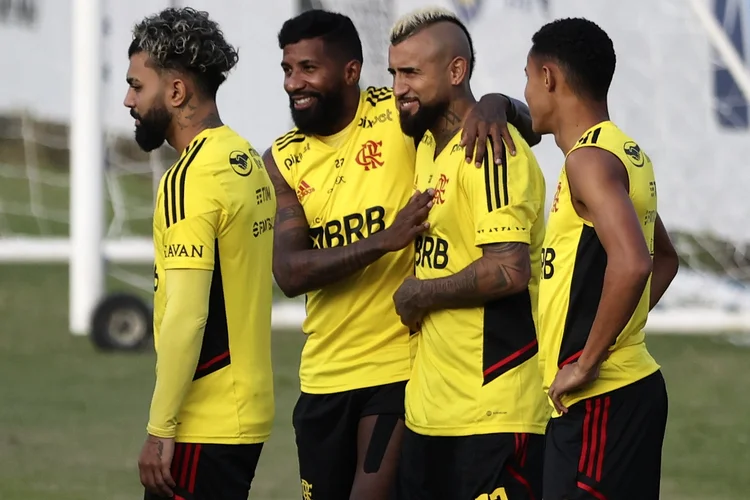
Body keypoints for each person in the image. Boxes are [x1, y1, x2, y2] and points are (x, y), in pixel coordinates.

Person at [263, 9, 542, 500]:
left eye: (308, 68)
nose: (294, 83)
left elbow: (514, 121)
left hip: (400, 374)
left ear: (350, 72)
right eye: (287, 70)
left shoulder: (401, 120)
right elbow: (287, 273)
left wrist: (496, 103)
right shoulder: (283, 158)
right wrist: (383, 241)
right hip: (325, 375)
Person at [388, 8, 549, 500]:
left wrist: (420, 294)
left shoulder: (492, 148)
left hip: (494, 412)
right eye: (393, 73)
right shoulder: (425, 146)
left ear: (455, 72)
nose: (398, 87)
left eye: (411, 73)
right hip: (430, 414)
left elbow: (508, 269)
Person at [523, 17, 679, 500]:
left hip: (599, 401)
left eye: (527, 79)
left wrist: (589, 360)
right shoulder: (625, 152)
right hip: (623, 392)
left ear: (549, 78)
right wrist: (619, 332)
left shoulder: (586, 161)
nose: (526, 94)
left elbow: (635, 263)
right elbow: (666, 259)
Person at [124, 8, 276, 499]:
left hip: (201, 422)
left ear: (175, 93)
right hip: (246, 413)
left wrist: (160, 428)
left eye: (136, 85)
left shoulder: (188, 178)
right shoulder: (247, 161)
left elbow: (188, 315)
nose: (127, 100)